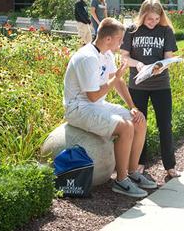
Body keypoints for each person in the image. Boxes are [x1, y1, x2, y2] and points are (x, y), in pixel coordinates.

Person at [63, 18, 157, 198]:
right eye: (119, 39)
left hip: (95, 106)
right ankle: (121, 181)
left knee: (139, 120)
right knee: (125, 127)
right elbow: (93, 96)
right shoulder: (88, 57)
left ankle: (133, 172)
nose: (122, 43)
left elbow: (118, 81)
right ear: (108, 39)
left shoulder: (106, 54)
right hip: (78, 108)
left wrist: (132, 107)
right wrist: (115, 79)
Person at [120, 0, 180, 179]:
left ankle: (170, 166)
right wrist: (137, 64)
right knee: (139, 124)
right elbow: (124, 57)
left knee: (165, 125)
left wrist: (160, 66)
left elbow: (168, 57)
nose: (153, 22)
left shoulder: (166, 31)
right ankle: (139, 163)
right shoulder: (132, 30)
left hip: (161, 84)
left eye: (156, 18)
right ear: (142, 15)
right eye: (149, 19)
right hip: (137, 84)